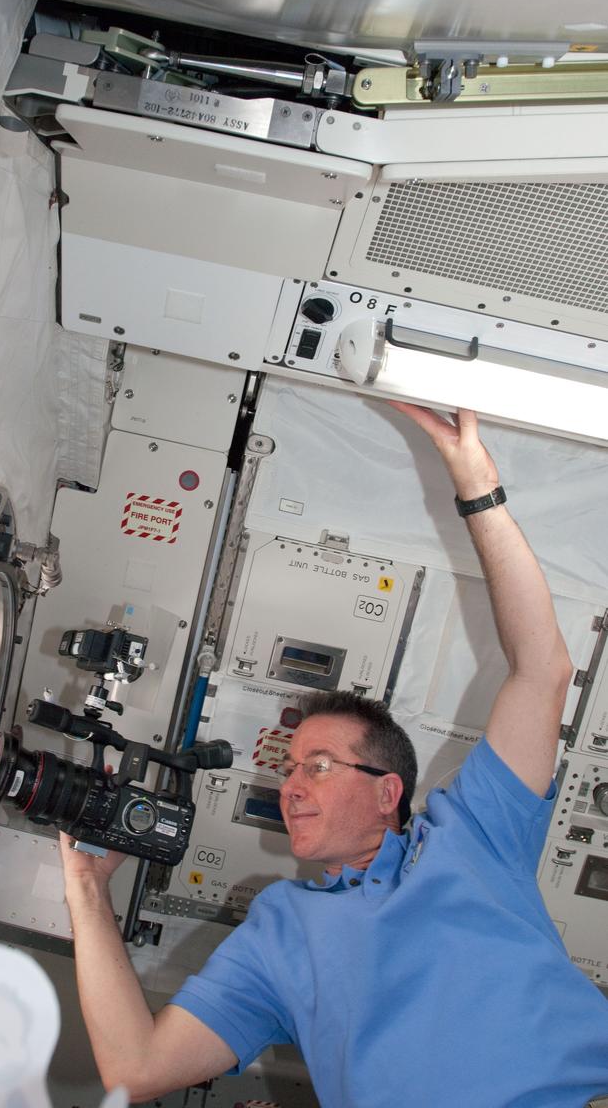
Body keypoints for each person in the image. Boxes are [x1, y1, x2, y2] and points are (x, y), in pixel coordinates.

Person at [59, 404, 608, 1108]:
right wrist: (85, 892)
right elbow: (136, 1070)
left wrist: (478, 489)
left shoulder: (474, 839)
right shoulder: (282, 931)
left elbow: (543, 670)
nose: (289, 786)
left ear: (388, 793)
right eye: (288, 769)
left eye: (317, 765)